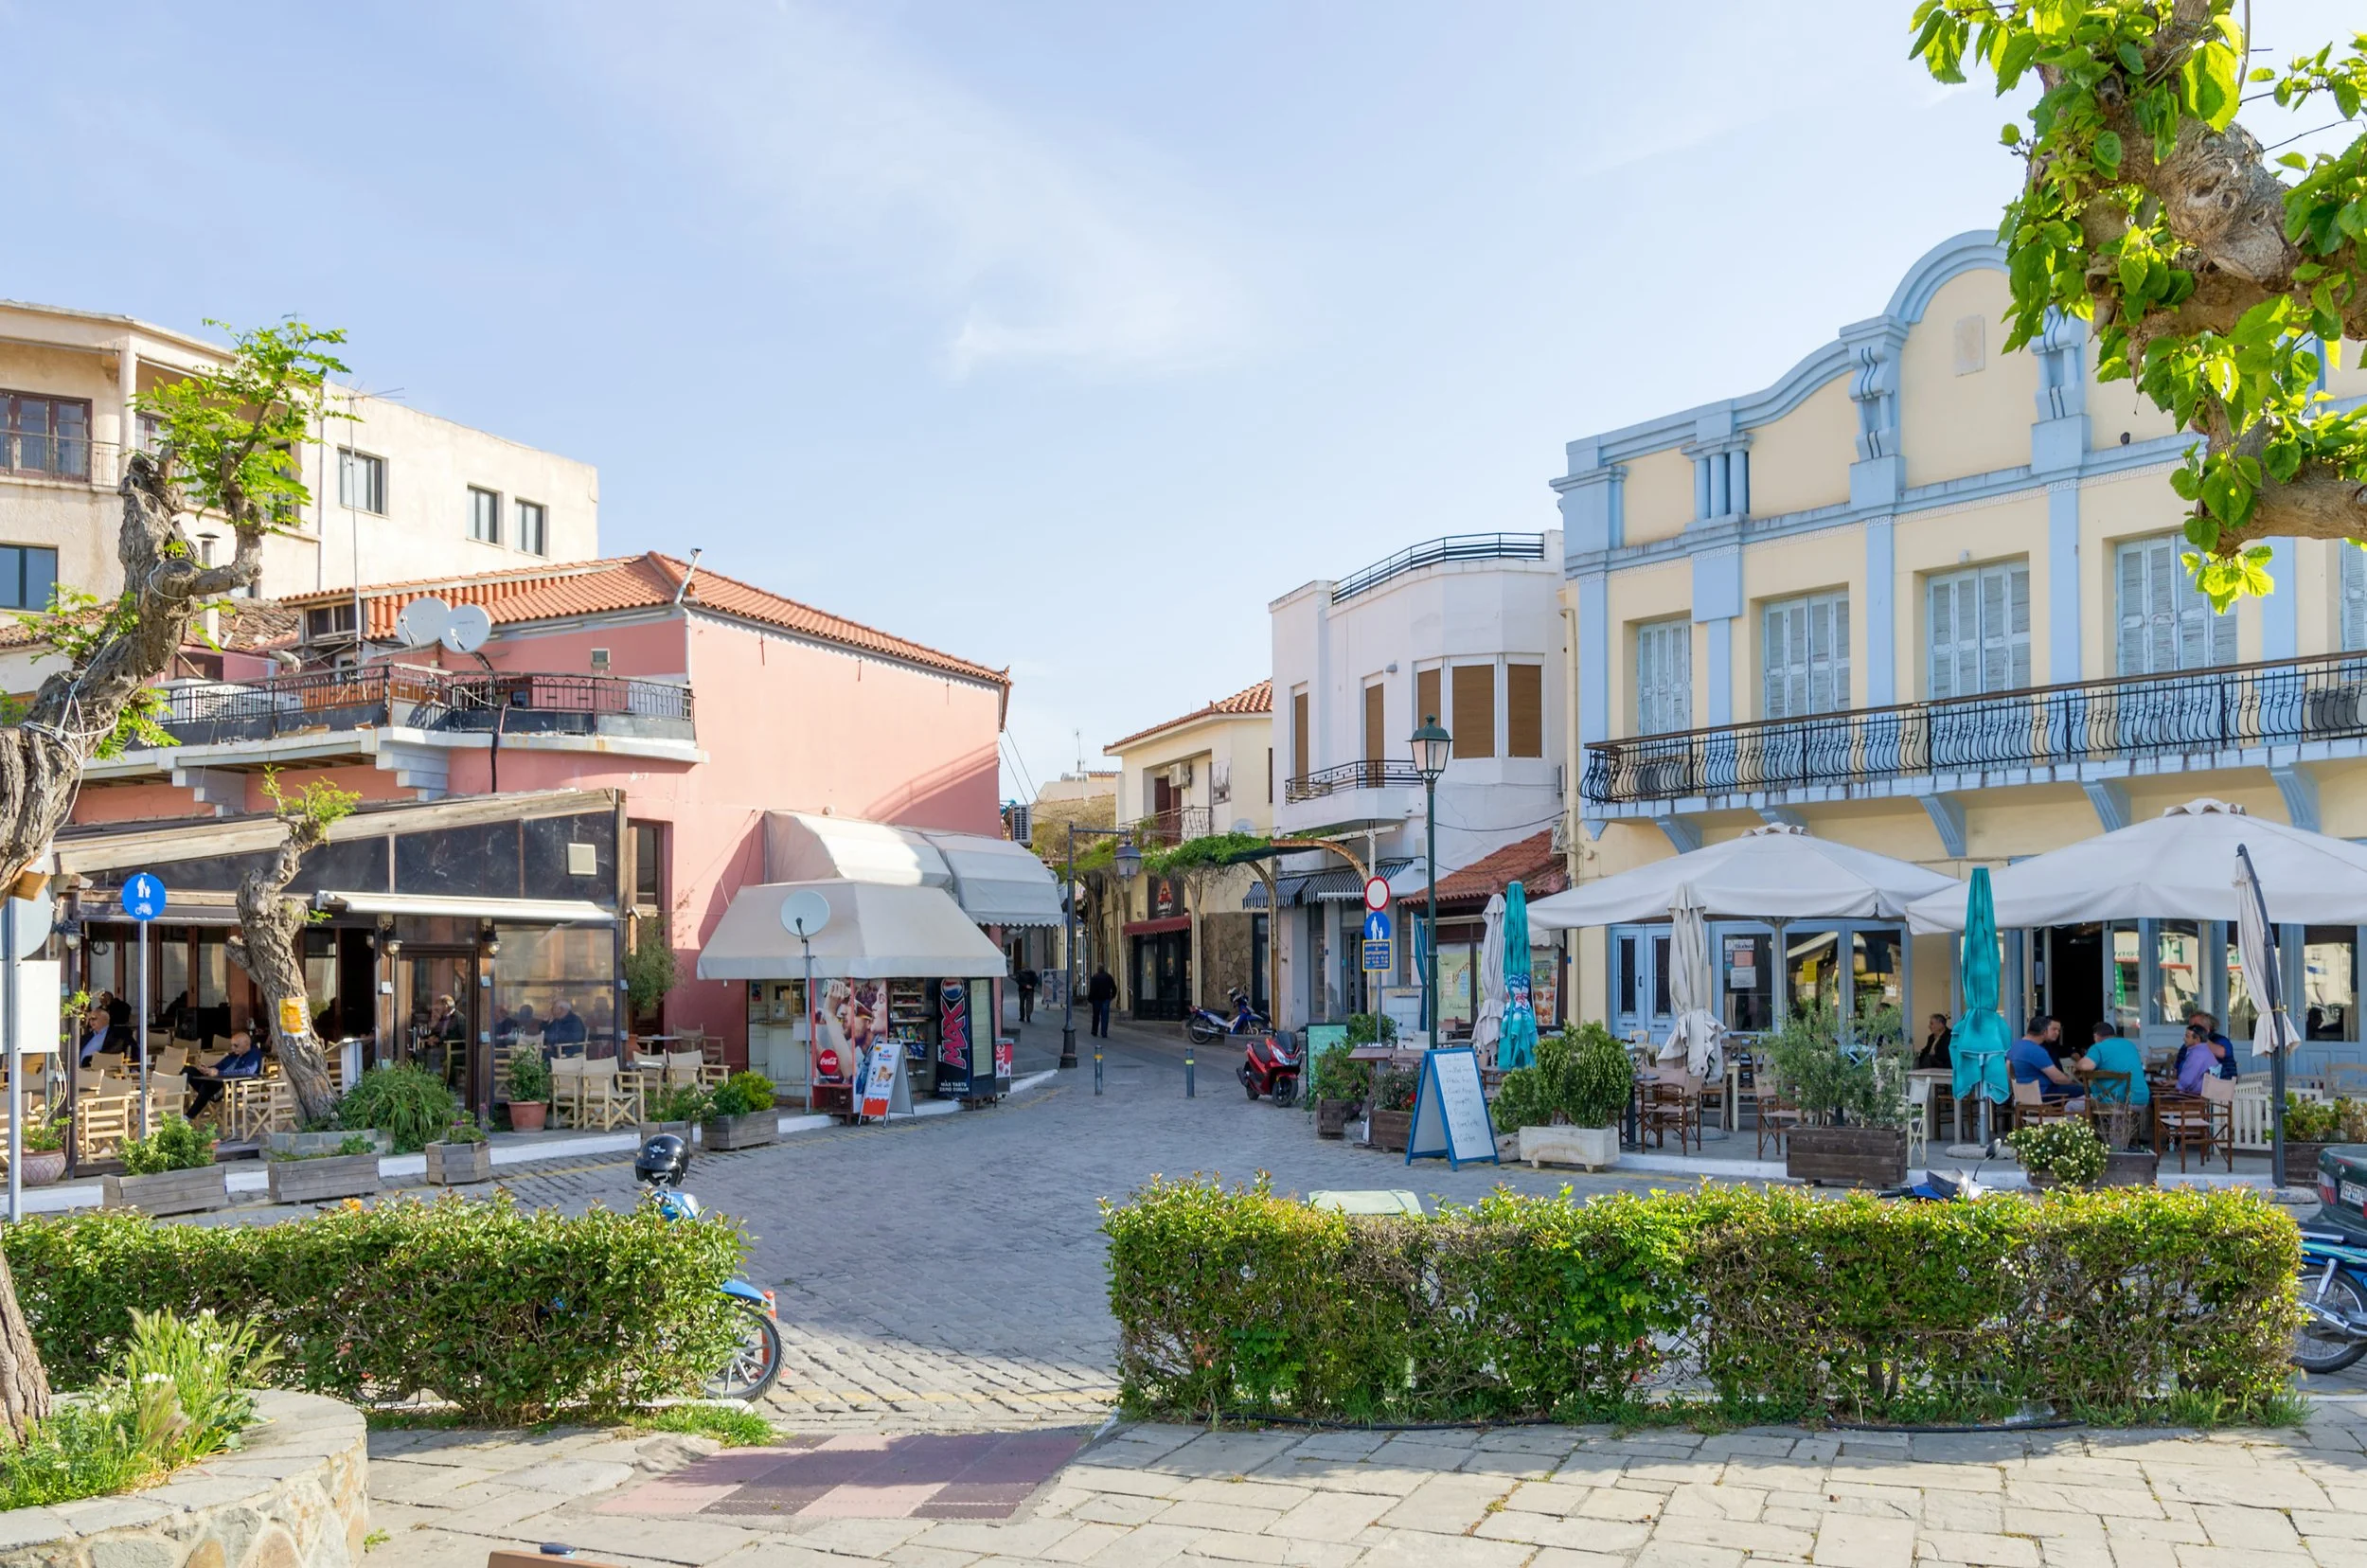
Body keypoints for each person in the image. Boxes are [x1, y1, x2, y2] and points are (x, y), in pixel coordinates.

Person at [187, 1027, 263, 1117]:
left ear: (246, 1044)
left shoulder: (254, 1054)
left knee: (207, 1087)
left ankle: (188, 1116)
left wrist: (219, 1073)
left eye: (236, 1045)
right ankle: (186, 1099)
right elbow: (219, 1066)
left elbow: (247, 1071)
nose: (232, 1048)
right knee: (188, 1070)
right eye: (232, 1045)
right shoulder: (233, 1055)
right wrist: (207, 1070)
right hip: (217, 1081)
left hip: (232, 1086)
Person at [2007, 1013, 2082, 1103]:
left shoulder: (2015, 1046)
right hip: (2044, 1095)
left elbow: (2009, 1071)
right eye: (2053, 1029)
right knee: (2086, 1091)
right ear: (2044, 1032)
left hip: (2023, 1097)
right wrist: (2072, 1083)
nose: (2057, 1033)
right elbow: (2058, 1078)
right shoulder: (2037, 1050)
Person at [2076, 1021, 2149, 1107]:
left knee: (2071, 1106)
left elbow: (2086, 1066)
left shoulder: (2098, 1047)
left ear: (2095, 1036)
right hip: (2141, 1101)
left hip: (2113, 1102)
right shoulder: (2130, 1045)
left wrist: (2077, 1065)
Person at [2186, 1009, 2238, 1078]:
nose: (2193, 1030)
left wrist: (2201, 1037)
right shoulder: (2187, 1045)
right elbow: (2177, 1069)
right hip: (2190, 1085)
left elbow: (2221, 1052)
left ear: (2208, 1028)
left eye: (2196, 1027)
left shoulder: (2222, 1040)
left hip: (2222, 1085)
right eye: (2191, 1027)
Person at [2175, 1022, 2222, 1096]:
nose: (2184, 1039)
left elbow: (2187, 1082)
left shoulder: (2197, 1054)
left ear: (2197, 1039)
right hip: (2202, 1094)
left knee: (2157, 1098)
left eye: (2187, 1036)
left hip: (2193, 1096)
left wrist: (2175, 1087)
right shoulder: (2205, 1050)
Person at [1087, 966, 1117, 1039]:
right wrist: (1112, 996)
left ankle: (1094, 1031)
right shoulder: (1108, 977)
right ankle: (1104, 1032)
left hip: (1096, 999)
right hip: (1106, 999)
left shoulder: (1095, 977)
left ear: (1098, 970)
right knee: (1105, 1016)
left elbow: (1092, 990)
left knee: (1096, 1016)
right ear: (1104, 969)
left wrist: (1090, 998)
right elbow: (1114, 987)